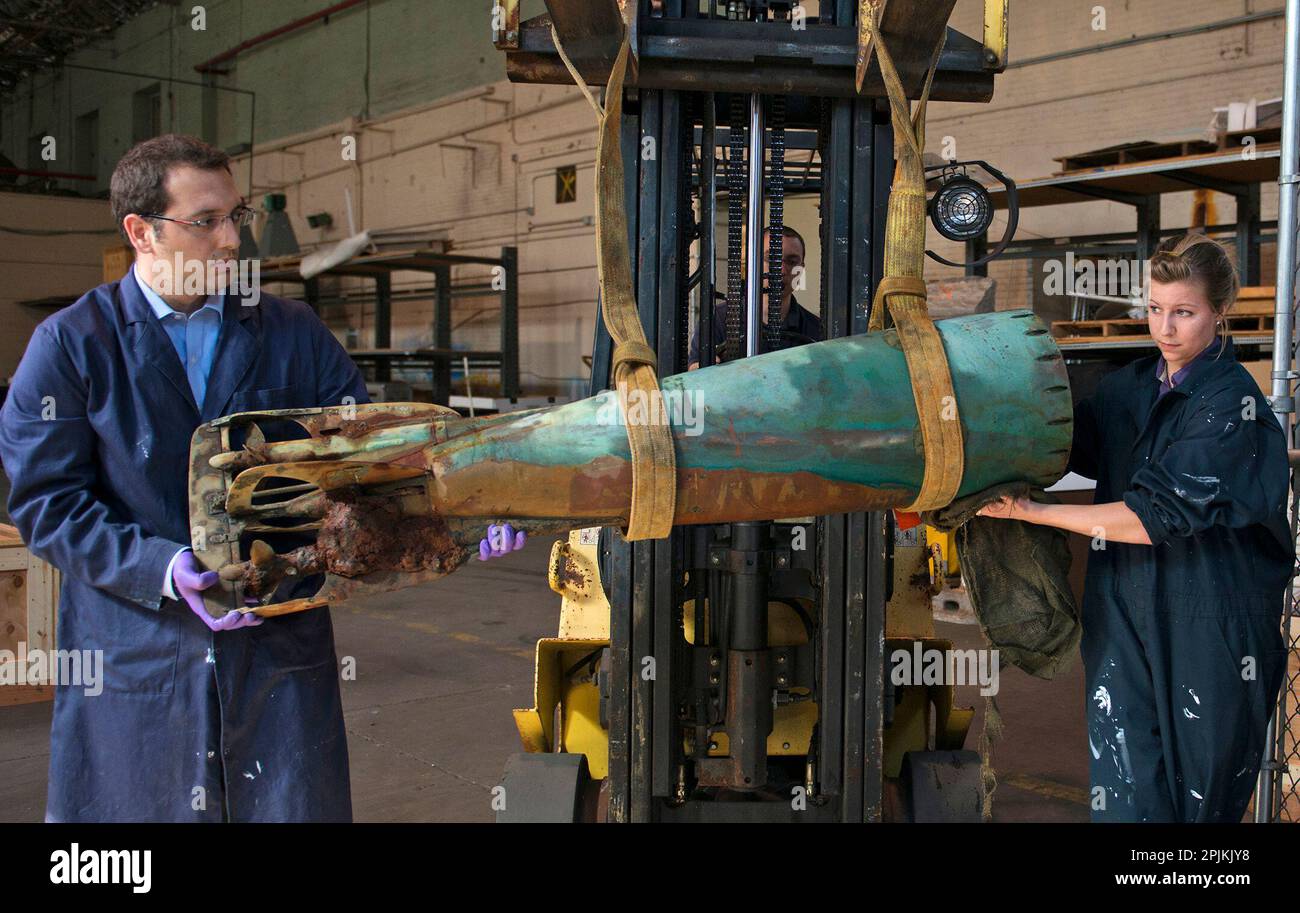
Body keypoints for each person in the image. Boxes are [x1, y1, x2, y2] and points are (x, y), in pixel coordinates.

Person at [977, 233, 1291, 822]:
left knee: (1199, 792)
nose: (1165, 329)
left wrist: (1033, 511)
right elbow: (1061, 445)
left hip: (1211, 617)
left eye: (1184, 312)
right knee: (1124, 783)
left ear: (1219, 312)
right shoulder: (1127, 389)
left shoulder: (1229, 407)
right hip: (1123, 606)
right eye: (1154, 309)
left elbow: (1154, 518)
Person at [688, 225, 822, 370]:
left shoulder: (815, 329)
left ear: (801, 269)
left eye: (792, 261)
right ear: (754, 261)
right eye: (770, 258)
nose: (781, 270)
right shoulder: (717, 320)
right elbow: (695, 373)